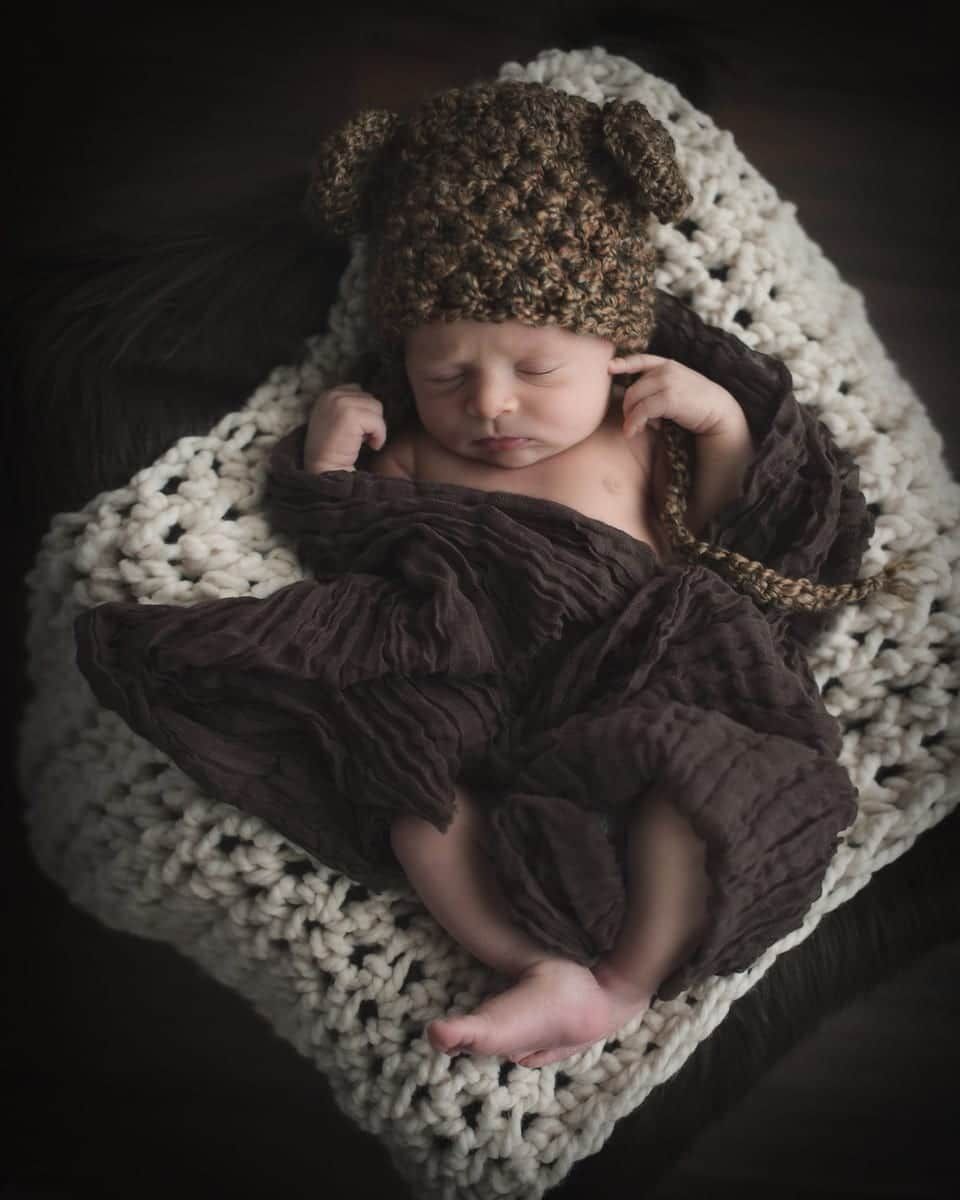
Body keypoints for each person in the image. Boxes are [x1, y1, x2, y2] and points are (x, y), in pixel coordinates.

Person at [74, 79, 909, 1071]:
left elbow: (742, 534)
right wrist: (332, 463)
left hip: (653, 670)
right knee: (408, 783)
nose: (493, 406)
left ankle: (621, 984)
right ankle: (531, 962)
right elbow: (354, 542)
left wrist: (721, 423)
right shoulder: (418, 450)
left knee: (704, 781)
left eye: (537, 370)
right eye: (445, 377)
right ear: (408, 367)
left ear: (613, 348)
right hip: (490, 693)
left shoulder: (641, 427)